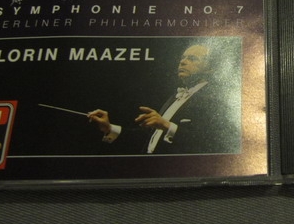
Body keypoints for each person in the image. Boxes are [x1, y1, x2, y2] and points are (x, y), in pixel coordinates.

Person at [87, 42, 241, 155]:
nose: (183, 62)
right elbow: (151, 138)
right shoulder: (174, 97)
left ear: (210, 68)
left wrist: (166, 125)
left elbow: (212, 142)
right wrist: (109, 128)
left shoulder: (218, 99)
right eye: (182, 58)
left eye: (192, 59)